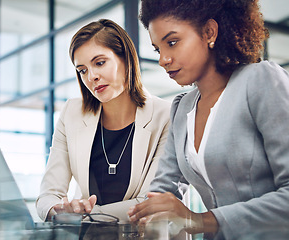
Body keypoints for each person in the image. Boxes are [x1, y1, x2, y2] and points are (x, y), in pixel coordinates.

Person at [128, 0, 289, 239]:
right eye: (157, 49)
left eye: (172, 42)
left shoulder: (260, 80)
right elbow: (161, 191)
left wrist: (200, 220)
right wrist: (145, 215)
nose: (163, 59)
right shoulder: (182, 109)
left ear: (209, 32)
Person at [36, 19, 171, 222]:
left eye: (100, 63)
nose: (92, 76)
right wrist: (60, 210)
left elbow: (149, 203)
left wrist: (83, 217)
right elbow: (47, 196)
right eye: (82, 70)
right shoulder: (71, 113)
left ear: (126, 59)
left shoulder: (165, 115)